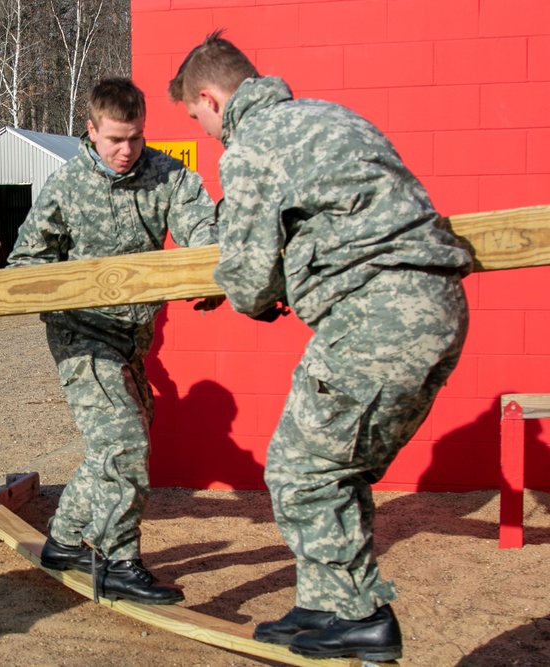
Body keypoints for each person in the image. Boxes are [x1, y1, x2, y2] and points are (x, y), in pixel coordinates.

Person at [169, 30, 472, 661]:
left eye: (198, 119)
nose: (205, 132)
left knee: (300, 471)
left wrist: (244, 290)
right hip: (436, 307)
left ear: (210, 97)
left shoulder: (251, 147)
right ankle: (323, 600)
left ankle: (360, 616)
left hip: (377, 315)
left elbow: (250, 280)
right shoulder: (332, 117)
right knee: (336, 467)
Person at [7, 78, 221, 605]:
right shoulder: (66, 186)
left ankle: (62, 540)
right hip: (81, 336)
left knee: (115, 444)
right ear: (91, 131)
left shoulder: (168, 176)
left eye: (136, 138)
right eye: (114, 141)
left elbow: (204, 231)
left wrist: (211, 273)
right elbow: (25, 263)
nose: (127, 151)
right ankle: (120, 560)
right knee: (125, 445)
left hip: (131, 338)